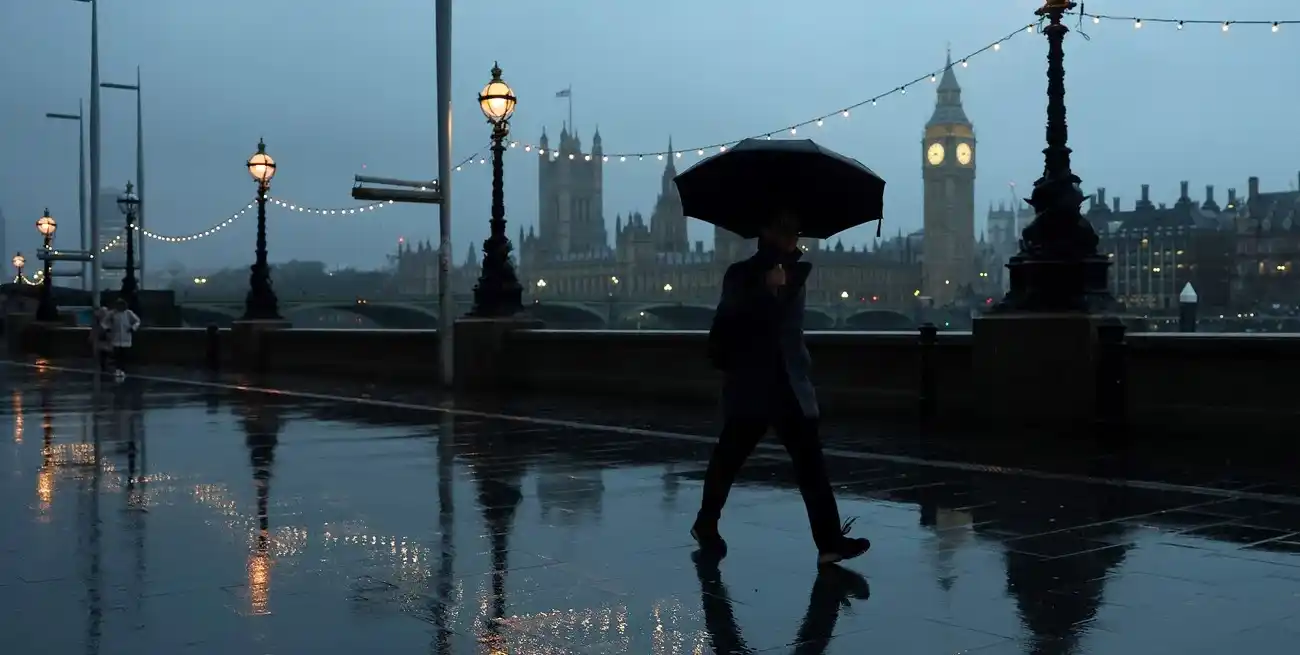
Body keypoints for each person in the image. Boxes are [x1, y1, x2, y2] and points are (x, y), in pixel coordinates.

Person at [694, 211, 870, 566]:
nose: (793, 235)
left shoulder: (797, 274)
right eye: (784, 228)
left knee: (810, 463)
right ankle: (706, 523)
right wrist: (765, 291)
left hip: (788, 383)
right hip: (752, 383)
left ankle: (829, 542)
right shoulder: (741, 275)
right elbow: (733, 324)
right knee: (728, 459)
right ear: (766, 231)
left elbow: (790, 333)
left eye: (795, 228)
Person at [102, 299, 141, 379]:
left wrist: (133, 328)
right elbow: (104, 322)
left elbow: (137, 321)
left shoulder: (128, 313)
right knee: (117, 354)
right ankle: (118, 369)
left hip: (126, 336)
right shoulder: (112, 313)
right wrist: (107, 328)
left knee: (124, 354)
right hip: (116, 336)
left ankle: (123, 369)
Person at [89, 306, 112, 372]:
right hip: (99, 340)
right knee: (100, 354)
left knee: (105, 353)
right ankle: (102, 365)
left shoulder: (108, 321)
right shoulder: (97, 321)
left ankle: (104, 365)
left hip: (105, 340)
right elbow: (94, 330)